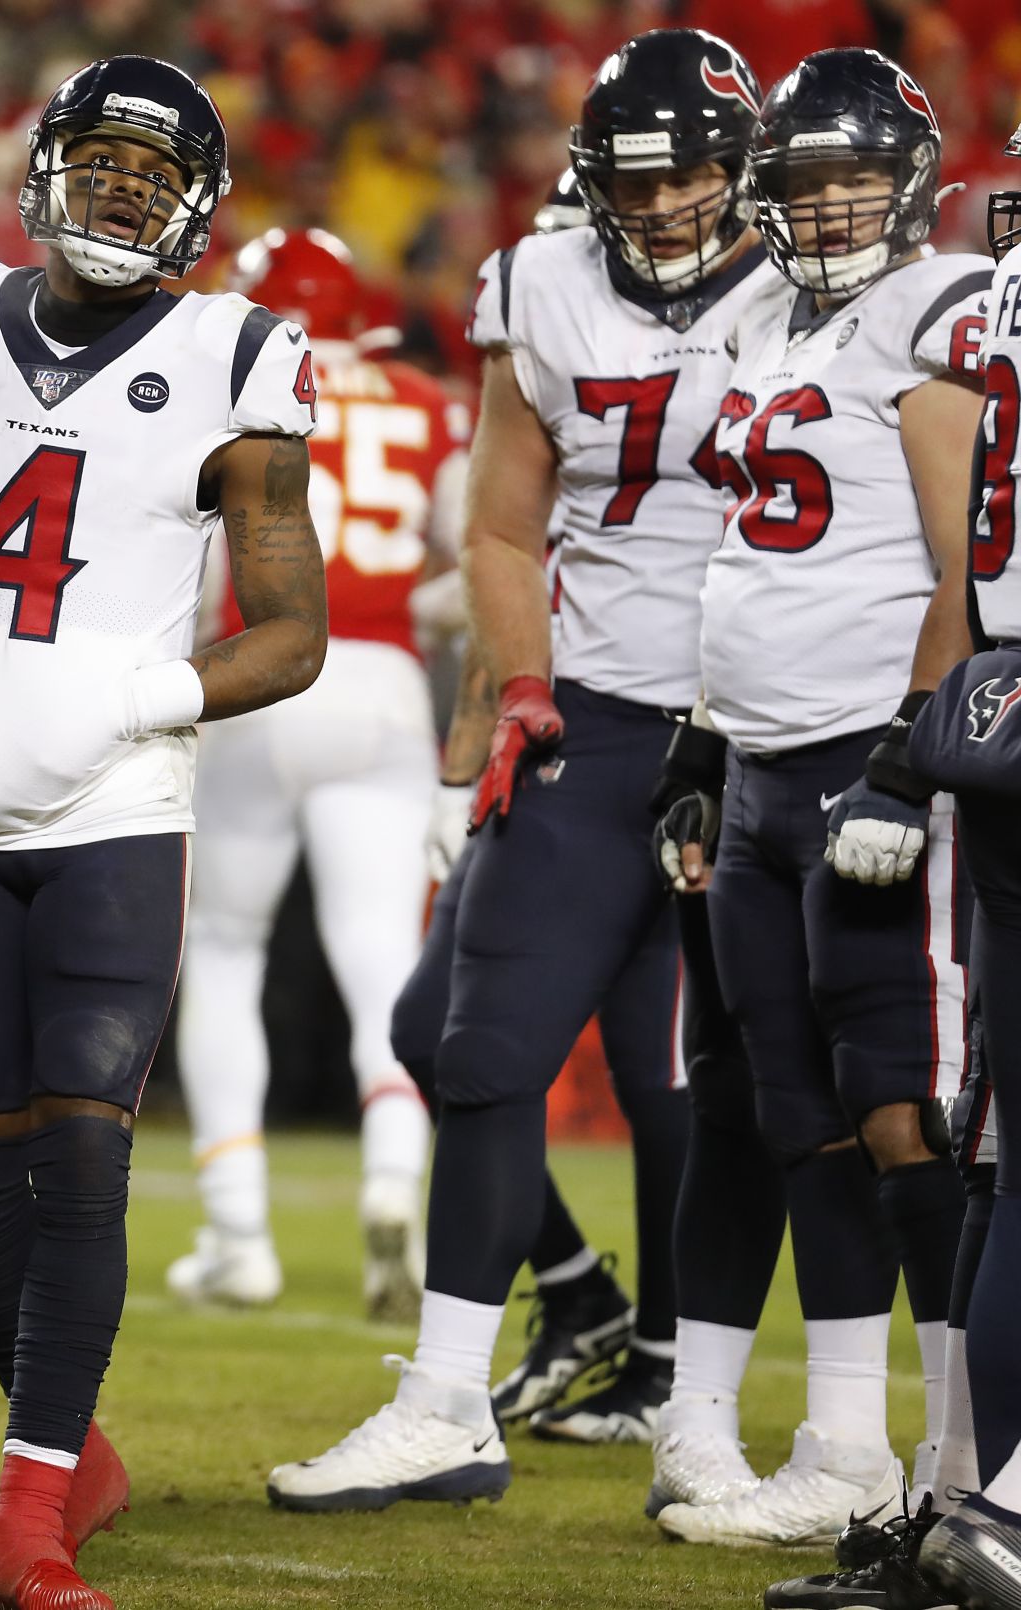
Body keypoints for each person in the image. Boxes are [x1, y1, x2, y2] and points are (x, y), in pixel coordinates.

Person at [0, 55, 325, 1610]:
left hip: (115, 810)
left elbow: (293, 628)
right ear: (45, 167)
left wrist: (140, 701)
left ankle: (27, 1514)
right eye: (99, 160)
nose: (121, 189)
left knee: (84, 1153)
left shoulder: (238, 354)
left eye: (151, 171)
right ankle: (70, 1453)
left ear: (195, 207)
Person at [267, 28, 780, 1508]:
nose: (672, 202)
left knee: (705, 1082)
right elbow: (500, 526)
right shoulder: (542, 282)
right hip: (601, 712)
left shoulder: (821, 296)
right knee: (465, 1039)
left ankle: (698, 1394)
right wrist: (511, 700)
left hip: (753, 730)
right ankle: (468, 1392)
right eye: (640, 177)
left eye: (694, 172)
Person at [651, 47, 988, 1557]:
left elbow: (966, 563)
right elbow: (743, 558)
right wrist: (703, 737)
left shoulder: (940, 308)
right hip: (767, 761)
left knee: (912, 1114)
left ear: (910, 181)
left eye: (857, 176)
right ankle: (847, 1443)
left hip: (870, 757)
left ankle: (967, 1461)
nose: (832, 205)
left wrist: (913, 761)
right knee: (804, 1120)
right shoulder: (760, 323)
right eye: (805, 178)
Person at [168, 225, 466, 1319]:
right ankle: (395, 1184)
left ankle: (236, 1231)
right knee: (381, 953)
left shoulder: (222, 402)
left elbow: (196, 569)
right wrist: (393, 620)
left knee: (225, 951)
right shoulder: (423, 402)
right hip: (382, 685)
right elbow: (474, 562)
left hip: (255, 677)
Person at [910, 118, 1021, 1610]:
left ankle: (969, 1497)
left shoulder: (985, 293)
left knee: (1004, 1157)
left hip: (1002, 694)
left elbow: (938, 430)